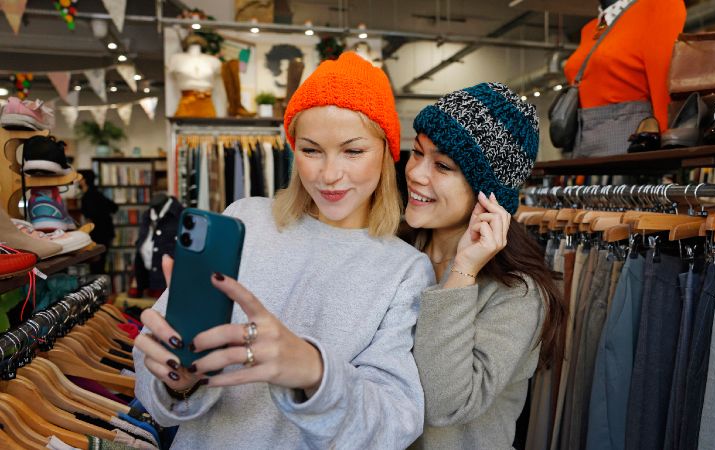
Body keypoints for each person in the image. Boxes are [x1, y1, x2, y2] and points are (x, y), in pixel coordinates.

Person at [133, 52, 435, 448]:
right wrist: (178, 380)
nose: (329, 174)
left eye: (353, 151)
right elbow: (150, 370)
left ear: (386, 151)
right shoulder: (245, 220)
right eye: (311, 150)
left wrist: (313, 371)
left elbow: (394, 423)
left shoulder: (404, 269)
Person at [403, 82, 566, 449]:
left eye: (442, 165)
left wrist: (463, 270)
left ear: (486, 194)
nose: (416, 173)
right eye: (416, 153)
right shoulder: (397, 250)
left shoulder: (517, 292)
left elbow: (444, 403)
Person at [78, 169, 118, 274]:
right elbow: (114, 207)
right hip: (105, 233)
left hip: (98, 234)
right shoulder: (96, 193)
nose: (77, 180)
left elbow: (90, 216)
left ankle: (98, 288)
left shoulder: (89, 195)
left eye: (79, 178)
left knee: (96, 265)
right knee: (99, 264)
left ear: (84, 180)